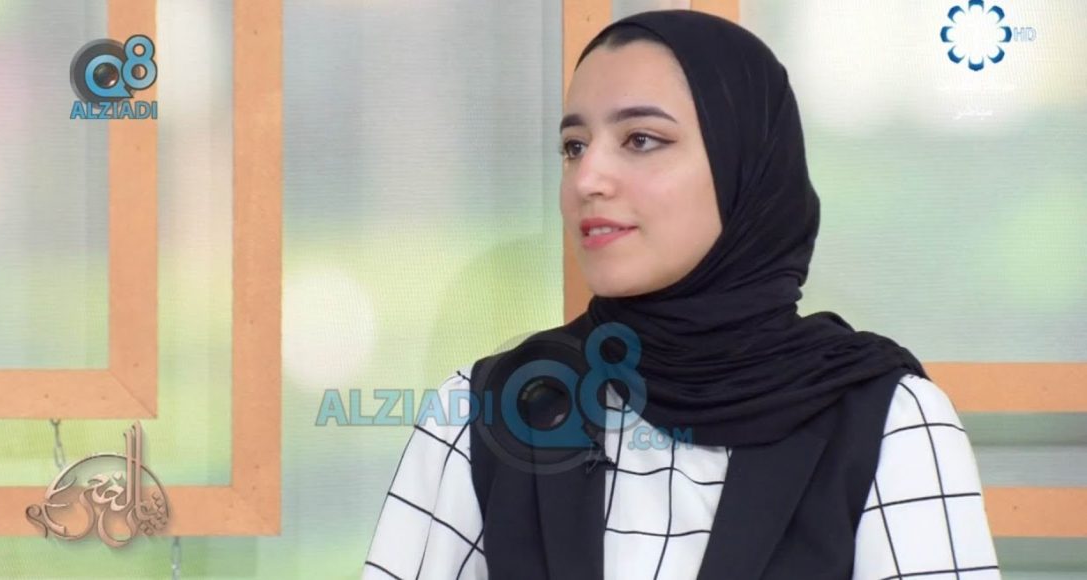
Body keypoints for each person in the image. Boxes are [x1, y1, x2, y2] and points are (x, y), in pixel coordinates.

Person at [364, 10, 999, 580]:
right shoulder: (485, 412)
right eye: (574, 146)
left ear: (744, 167)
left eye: (641, 140)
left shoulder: (887, 422)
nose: (587, 179)